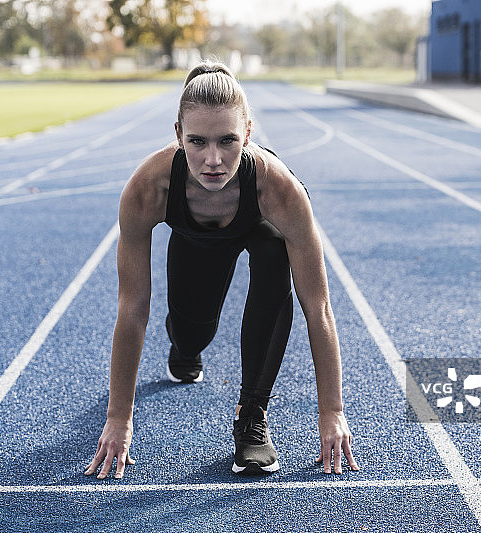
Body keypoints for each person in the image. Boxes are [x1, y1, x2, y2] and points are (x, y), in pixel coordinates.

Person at [85, 60, 357, 479]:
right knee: (193, 331)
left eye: (228, 140)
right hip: (194, 242)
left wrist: (332, 411)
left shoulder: (280, 190)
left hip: (257, 225)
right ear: (178, 135)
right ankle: (185, 344)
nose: (213, 160)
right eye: (197, 141)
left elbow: (317, 305)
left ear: (248, 132)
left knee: (273, 252)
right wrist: (119, 419)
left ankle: (251, 416)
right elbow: (133, 307)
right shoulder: (148, 188)